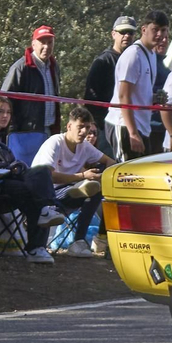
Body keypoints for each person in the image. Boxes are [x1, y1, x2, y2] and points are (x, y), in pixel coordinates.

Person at [0, 110, 61, 264]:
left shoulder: (0, 147)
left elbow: (14, 161)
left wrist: (15, 167)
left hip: (14, 184)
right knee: (31, 195)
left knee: (42, 171)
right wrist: (3, 167)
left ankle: (45, 213)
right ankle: (36, 246)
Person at [33, 105, 115, 258]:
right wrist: (82, 175)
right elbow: (47, 176)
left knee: (98, 187)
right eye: (80, 127)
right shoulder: (55, 142)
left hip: (70, 192)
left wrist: (105, 175)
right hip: (47, 194)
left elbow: (110, 162)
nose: (84, 132)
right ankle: (82, 237)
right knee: (91, 186)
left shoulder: (85, 147)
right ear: (69, 126)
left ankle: (79, 242)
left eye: (88, 129)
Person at [107, 10, 168, 159]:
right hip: (124, 125)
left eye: (163, 30)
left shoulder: (152, 54)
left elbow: (138, 93)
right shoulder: (133, 54)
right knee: (125, 176)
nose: (159, 34)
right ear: (144, 30)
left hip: (142, 126)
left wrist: (154, 98)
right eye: (155, 29)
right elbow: (123, 95)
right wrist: (133, 133)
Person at [0, 24, 61, 164]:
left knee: (45, 172)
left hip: (48, 130)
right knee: (26, 171)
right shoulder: (20, 68)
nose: (46, 46)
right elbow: (4, 100)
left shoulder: (53, 66)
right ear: (33, 44)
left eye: (50, 42)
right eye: (42, 42)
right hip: (25, 133)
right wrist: (12, 130)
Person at [84, 15, 137, 108]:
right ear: (113, 34)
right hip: (108, 119)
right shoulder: (102, 62)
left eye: (130, 32)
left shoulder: (136, 61)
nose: (127, 36)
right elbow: (91, 98)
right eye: (123, 32)